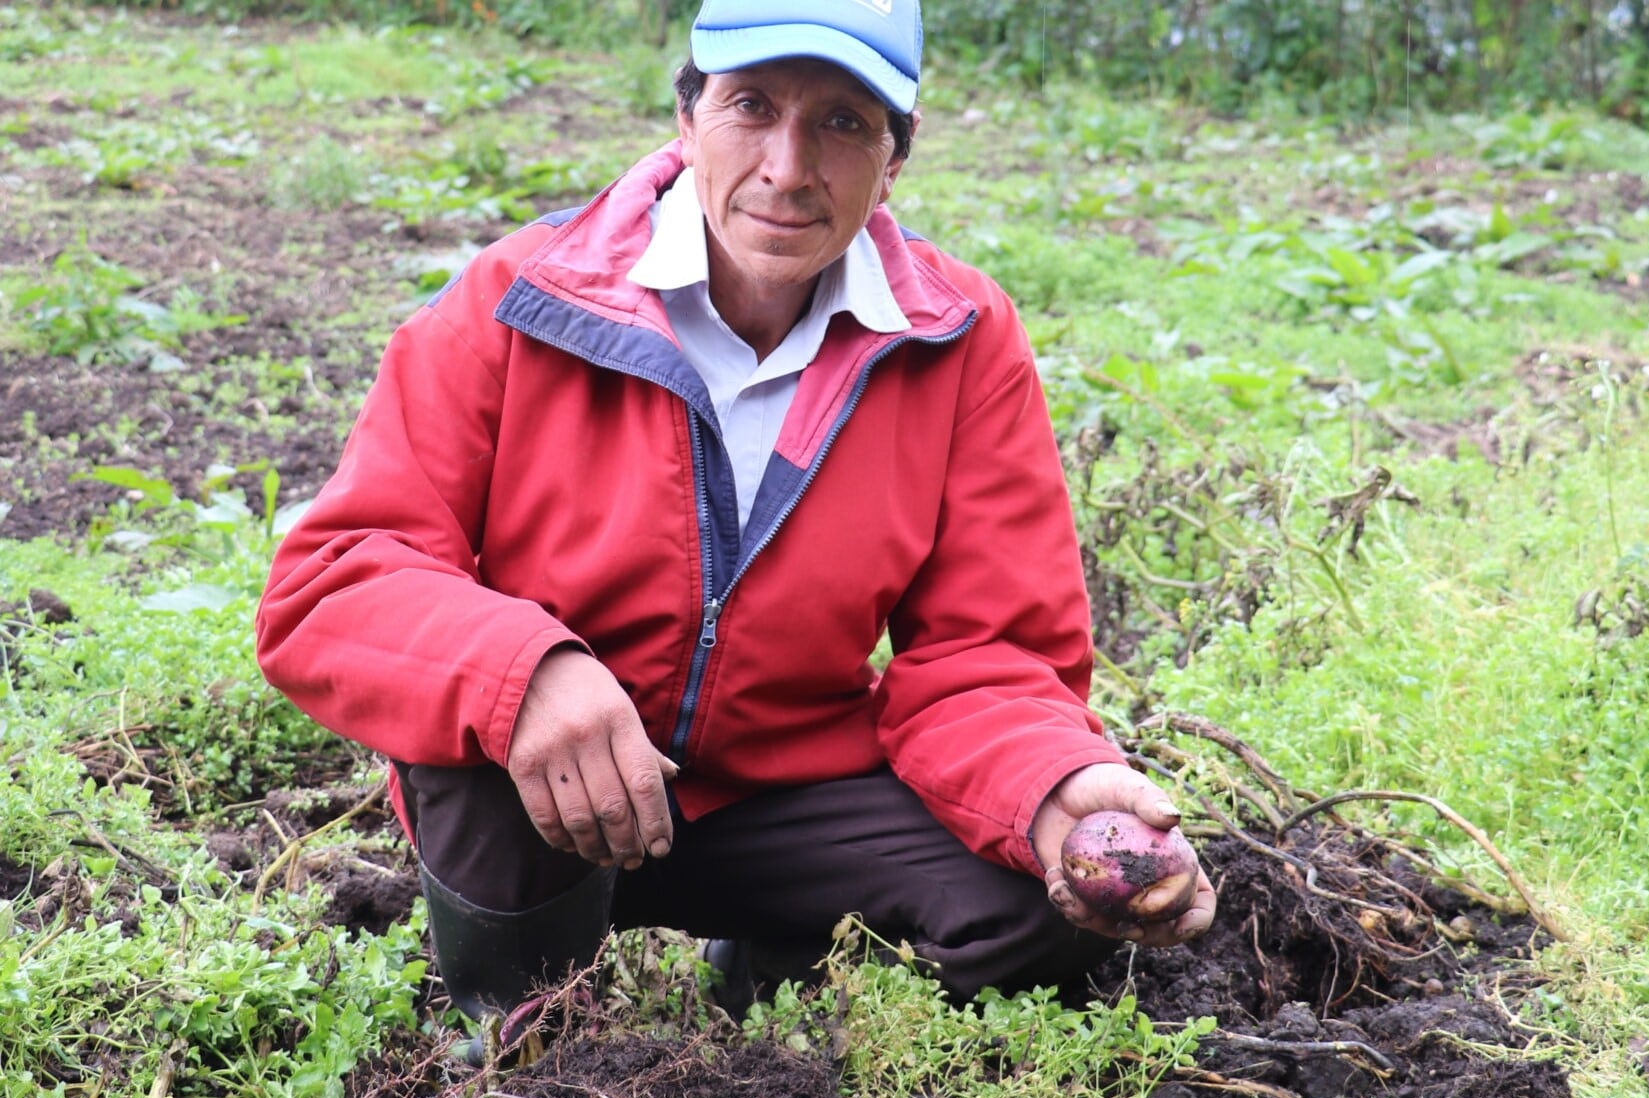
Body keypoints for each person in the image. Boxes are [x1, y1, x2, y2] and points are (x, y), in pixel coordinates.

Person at [255, 0, 1216, 1028]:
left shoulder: (956, 340)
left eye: (844, 122)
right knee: (489, 753)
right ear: (686, 116)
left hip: (785, 802)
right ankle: (512, 1043)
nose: (789, 165)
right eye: (751, 106)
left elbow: (988, 648)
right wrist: (524, 672)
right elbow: (338, 578)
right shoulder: (522, 298)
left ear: (895, 160)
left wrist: (1052, 785)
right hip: (548, 801)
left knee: (1040, 897)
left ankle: (770, 996)